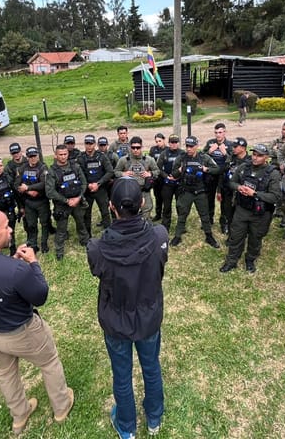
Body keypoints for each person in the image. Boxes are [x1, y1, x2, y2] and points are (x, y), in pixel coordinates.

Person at [0, 210, 74, 436]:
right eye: (6, 226)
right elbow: (40, 295)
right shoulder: (16, 270)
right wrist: (33, 264)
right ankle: (61, 406)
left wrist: (13, 263)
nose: (11, 230)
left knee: (6, 373)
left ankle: (19, 416)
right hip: (22, 332)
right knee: (49, 363)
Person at [87, 178, 168, 438]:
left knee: (123, 375)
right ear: (142, 203)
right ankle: (153, 420)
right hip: (146, 317)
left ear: (111, 207)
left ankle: (128, 427)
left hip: (117, 320)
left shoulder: (97, 247)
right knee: (151, 366)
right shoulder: (159, 236)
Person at [220, 144, 282, 274]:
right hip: (242, 209)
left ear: (266, 157)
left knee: (255, 238)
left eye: (259, 155)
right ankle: (231, 261)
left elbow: (275, 197)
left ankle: (250, 260)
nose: (255, 158)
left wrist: (254, 194)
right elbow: (231, 182)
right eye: (254, 154)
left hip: (261, 213)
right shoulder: (244, 167)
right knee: (236, 236)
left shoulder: (273, 173)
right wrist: (239, 188)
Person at [170, 136, 220, 249]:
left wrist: (206, 169)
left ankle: (209, 236)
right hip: (186, 191)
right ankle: (177, 236)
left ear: (197, 146)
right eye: (187, 146)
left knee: (204, 215)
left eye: (191, 146)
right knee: (182, 214)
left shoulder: (204, 157)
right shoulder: (181, 158)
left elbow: (217, 169)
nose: (188, 149)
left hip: (201, 191)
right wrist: (179, 170)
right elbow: (173, 174)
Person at [45, 144, 89, 259]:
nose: (63, 157)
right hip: (62, 205)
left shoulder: (75, 167)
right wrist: (66, 201)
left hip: (77, 202)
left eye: (65, 154)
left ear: (68, 154)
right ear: (56, 155)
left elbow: (84, 183)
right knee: (61, 229)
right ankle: (59, 252)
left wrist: (78, 197)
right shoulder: (52, 172)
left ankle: (85, 242)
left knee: (81, 223)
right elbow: (50, 192)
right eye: (60, 155)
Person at [114, 136, 159, 219]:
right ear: (130, 147)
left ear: (141, 147)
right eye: (133, 147)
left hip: (144, 190)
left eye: (138, 147)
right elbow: (116, 172)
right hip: (129, 192)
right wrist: (123, 174)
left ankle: (145, 226)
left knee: (147, 209)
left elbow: (157, 171)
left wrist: (150, 173)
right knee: (129, 211)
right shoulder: (124, 160)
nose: (135, 150)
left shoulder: (149, 160)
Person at [17, 147, 52, 253]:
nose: (33, 158)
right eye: (30, 156)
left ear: (38, 156)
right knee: (31, 224)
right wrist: (28, 192)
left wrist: (28, 187)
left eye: (35, 156)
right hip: (28, 202)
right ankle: (33, 244)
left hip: (41, 201)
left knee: (45, 223)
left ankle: (44, 243)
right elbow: (16, 184)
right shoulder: (22, 168)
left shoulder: (43, 167)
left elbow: (44, 183)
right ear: (27, 157)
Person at [78, 134, 114, 236]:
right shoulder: (80, 158)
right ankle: (88, 235)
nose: (89, 146)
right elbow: (79, 174)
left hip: (100, 189)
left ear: (95, 144)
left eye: (91, 144)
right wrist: (88, 184)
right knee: (86, 213)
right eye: (87, 144)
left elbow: (110, 171)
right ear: (84, 144)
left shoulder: (101, 156)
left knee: (105, 212)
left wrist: (98, 183)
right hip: (87, 190)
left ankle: (109, 233)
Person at [203, 123, 232, 231]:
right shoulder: (211, 143)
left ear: (225, 132)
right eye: (216, 133)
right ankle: (209, 219)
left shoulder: (230, 144)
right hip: (211, 175)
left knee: (224, 201)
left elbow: (233, 160)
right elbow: (202, 155)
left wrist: (225, 153)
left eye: (220, 132)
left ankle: (224, 223)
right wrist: (210, 151)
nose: (218, 135)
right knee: (209, 198)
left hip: (223, 175)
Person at [219, 137, 250, 236]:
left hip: (242, 192)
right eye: (233, 146)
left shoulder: (249, 161)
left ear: (243, 148)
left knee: (242, 213)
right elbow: (222, 174)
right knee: (227, 211)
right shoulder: (231, 158)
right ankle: (227, 226)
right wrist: (219, 190)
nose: (233, 148)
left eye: (236, 147)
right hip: (228, 190)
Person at [155, 135, 183, 231]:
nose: (174, 144)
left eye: (176, 142)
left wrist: (178, 176)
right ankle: (165, 225)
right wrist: (167, 176)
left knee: (180, 205)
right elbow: (158, 168)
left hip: (179, 183)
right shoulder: (164, 153)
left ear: (178, 143)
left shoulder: (183, 153)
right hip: (167, 183)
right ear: (169, 143)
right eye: (172, 142)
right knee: (166, 206)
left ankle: (181, 226)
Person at [148, 133, 167, 222]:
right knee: (157, 196)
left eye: (160, 141)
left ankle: (165, 214)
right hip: (156, 177)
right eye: (156, 141)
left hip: (165, 176)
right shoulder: (153, 149)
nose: (158, 143)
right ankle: (158, 214)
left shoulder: (167, 149)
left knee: (165, 197)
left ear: (164, 140)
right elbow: (149, 161)